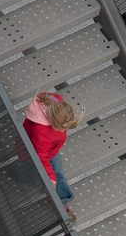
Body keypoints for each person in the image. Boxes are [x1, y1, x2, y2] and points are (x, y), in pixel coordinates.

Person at [16, 90, 83, 222]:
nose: (64, 131)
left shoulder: (56, 103)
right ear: (51, 121)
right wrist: (50, 180)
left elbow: (47, 95)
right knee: (44, 177)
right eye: (61, 128)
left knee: (59, 173)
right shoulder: (41, 132)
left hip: (51, 150)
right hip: (33, 153)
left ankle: (61, 201)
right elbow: (41, 157)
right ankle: (22, 176)